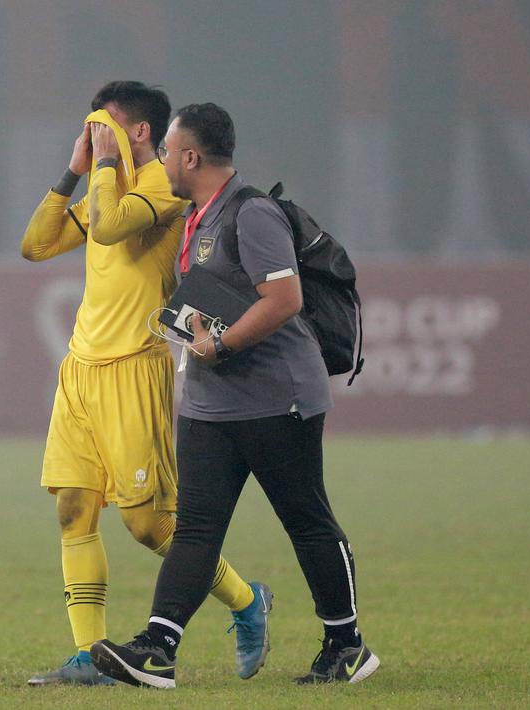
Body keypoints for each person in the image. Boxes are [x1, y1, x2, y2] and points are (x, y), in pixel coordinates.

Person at [90, 103, 379, 688]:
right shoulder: (202, 216)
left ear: (191, 157)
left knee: (306, 519)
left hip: (277, 399)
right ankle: (158, 648)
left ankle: (347, 646)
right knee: (197, 527)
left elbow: (285, 300)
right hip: (211, 403)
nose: (165, 159)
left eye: (170, 151)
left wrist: (220, 348)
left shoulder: (252, 214)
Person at [20, 83, 269, 687]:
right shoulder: (106, 180)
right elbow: (36, 244)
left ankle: (245, 600)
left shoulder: (161, 186)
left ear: (137, 132)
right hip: (80, 368)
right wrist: (72, 171)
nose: (91, 131)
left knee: (148, 525)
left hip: (136, 366)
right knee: (73, 508)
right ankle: (91, 654)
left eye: (101, 124)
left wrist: (105, 166)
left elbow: (107, 230)